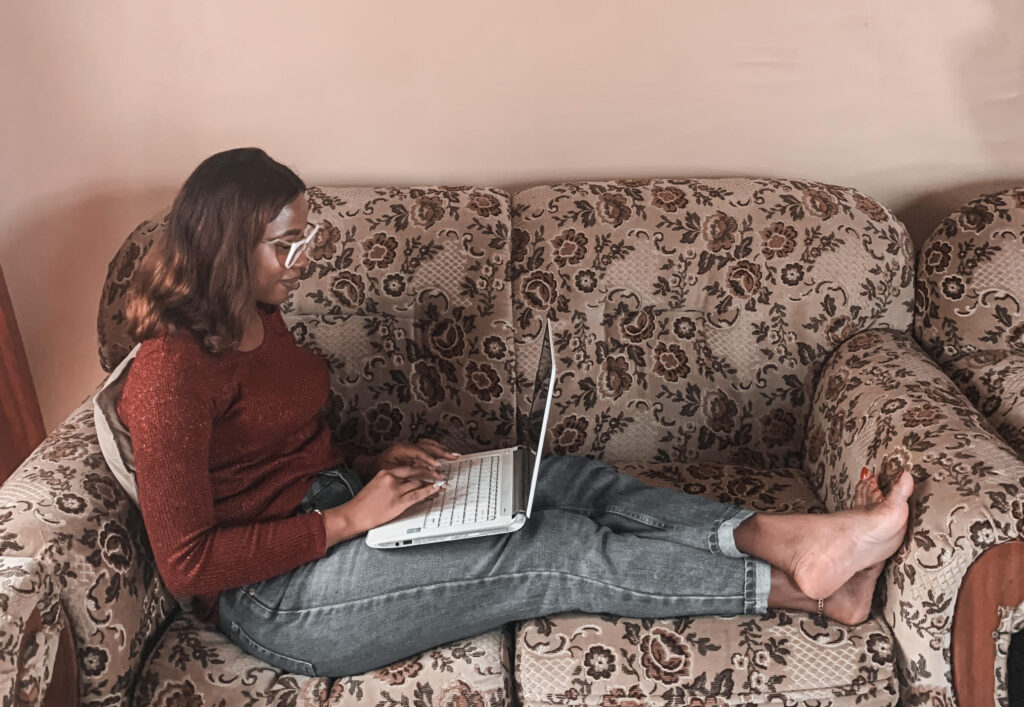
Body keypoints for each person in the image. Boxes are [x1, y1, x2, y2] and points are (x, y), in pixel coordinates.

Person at [118, 148, 914, 679]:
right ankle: (811, 593)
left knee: (554, 477)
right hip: (279, 597)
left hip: (335, 507)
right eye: (286, 245)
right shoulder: (169, 373)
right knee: (549, 544)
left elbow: (280, 444)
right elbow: (188, 563)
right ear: (227, 245)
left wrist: (376, 464)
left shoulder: (255, 312)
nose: (306, 259)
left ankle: (784, 535)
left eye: (305, 237)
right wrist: (350, 520)